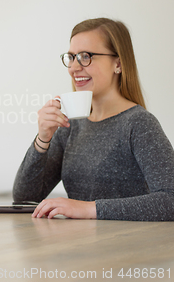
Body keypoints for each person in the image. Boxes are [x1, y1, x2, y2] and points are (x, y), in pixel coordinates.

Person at [13, 18, 174, 221]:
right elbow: (24, 199)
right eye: (71, 57)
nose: (74, 67)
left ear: (118, 63)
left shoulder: (139, 124)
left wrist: (88, 209)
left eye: (85, 56)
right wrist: (42, 140)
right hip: (81, 247)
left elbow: (170, 200)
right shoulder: (70, 127)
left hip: (125, 248)